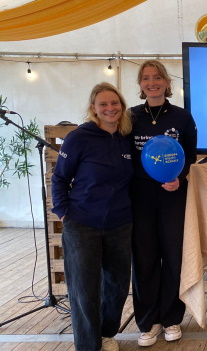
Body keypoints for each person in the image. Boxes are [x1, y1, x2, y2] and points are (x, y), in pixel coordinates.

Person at [51, 82, 134, 351]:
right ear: (93, 108)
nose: (110, 108)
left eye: (114, 103)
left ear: (121, 106)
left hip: (120, 224)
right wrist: (64, 213)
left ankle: (106, 334)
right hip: (82, 223)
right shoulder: (79, 137)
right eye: (103, 104)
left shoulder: (126, 137)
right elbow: (60, 178)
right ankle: (88, 346)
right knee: (84, 289)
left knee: (118, 286)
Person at [129, 60, 197, 346]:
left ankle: (171, 319)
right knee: (144, 260)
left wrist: (178, 177)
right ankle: (148, 322)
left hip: (173, 197)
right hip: (139, 199)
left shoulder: (182, 117)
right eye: (146, 78)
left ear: (167, 83)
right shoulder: (129, 117)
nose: (152, 82)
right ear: (140, 84)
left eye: (157, 77)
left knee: (172, 258)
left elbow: (190, 155)